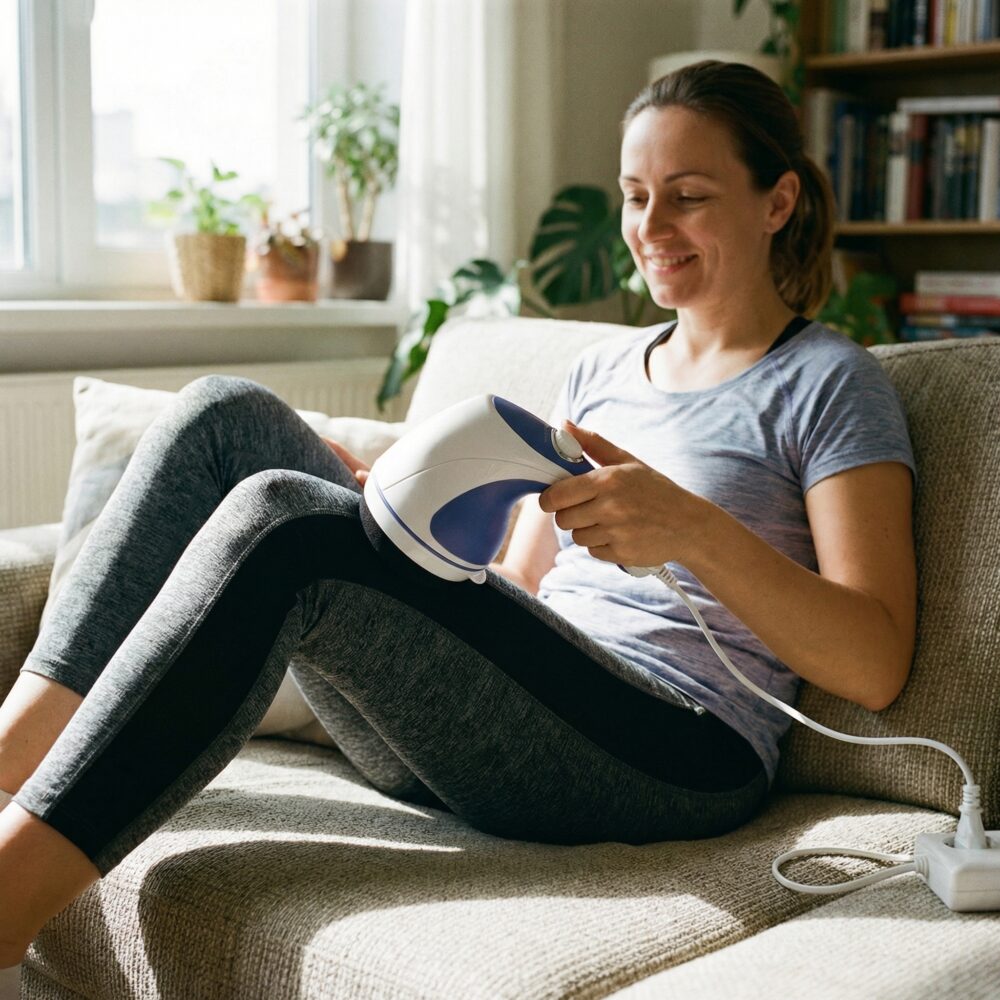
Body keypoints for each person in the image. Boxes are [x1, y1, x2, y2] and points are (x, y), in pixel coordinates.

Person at [0, 59, 916, 968]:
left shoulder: (829, 384)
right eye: (636, 196)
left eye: (688, 196)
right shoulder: (598, 374)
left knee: (286, 522)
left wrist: (692, 531)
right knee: (221, 417)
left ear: (778, 201)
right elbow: (517, 589)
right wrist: (397, 524)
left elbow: (874, 661)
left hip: (678, 752)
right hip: (506, 726)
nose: (650, 227)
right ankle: (10, 764)